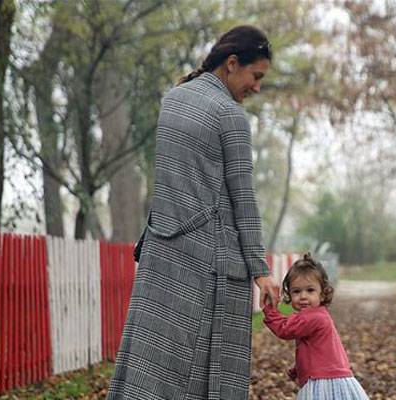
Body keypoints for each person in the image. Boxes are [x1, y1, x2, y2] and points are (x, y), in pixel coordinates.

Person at [108, 26, 280, 400]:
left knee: (151, 367)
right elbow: (243, 198)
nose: (257, 87)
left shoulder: (173, 99)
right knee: (207, 374)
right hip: (213, 264)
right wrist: (260, 269)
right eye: (256, 76)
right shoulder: (229, 116)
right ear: (232, 64)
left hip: (163, 254)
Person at [262, 254, 369, 400]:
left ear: (322, 293)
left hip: (323, 380)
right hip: (328, 374)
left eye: (310, 290)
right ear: (289, 294)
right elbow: (318, 350)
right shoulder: (318, 314)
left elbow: (285, 329)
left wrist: (270, 310)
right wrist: (299, 368)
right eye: (296, 291)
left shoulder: (312, 317)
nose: (303, 296)